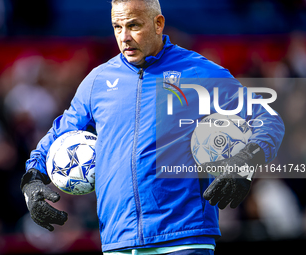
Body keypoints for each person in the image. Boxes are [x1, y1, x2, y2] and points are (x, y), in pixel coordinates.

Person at [20, 0, 285, 254]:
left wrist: (244, 162)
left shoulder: (199, 71)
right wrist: (32, 180)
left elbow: (268, 119)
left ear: (158, 23)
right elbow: (58, 135)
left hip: (183, 237)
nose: (124, 37)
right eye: (117, 27)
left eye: (134, 26)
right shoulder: (97, 81)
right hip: (118, 239)